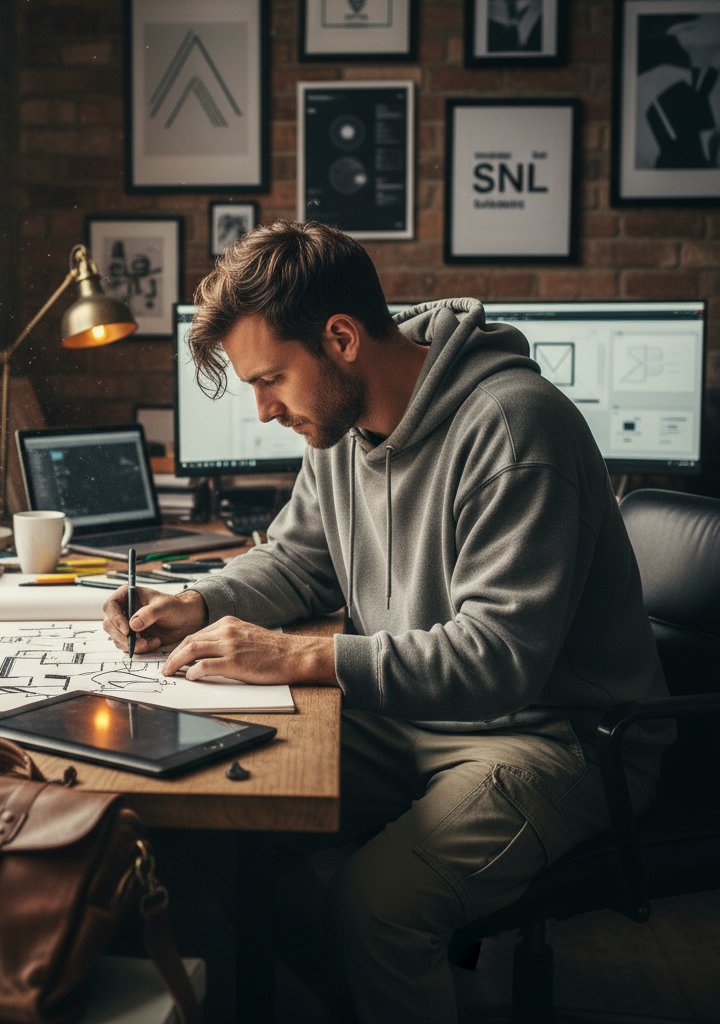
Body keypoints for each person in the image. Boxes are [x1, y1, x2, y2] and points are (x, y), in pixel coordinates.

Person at [102, 220, 670, 1023]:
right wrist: (197, 602)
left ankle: (376, 970)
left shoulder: (514, 428)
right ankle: (370, 994)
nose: (263, 410)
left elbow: (496, 662)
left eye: (270, 380)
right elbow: (302, 561)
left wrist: (296, 658)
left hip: (556, 739)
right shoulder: (335, 425)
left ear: (340, 338)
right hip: (417, 713)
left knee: (374, 913)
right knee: (203, 811)